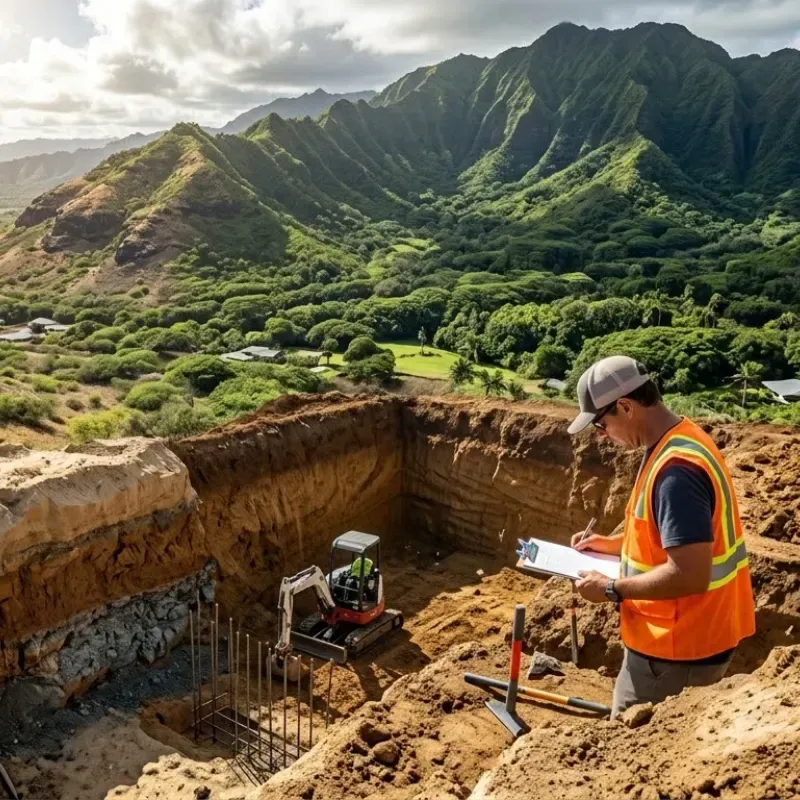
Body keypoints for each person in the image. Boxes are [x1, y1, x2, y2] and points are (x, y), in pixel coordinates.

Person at [567, 355, 756, 717]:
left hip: (677, 649)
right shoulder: (678, 439)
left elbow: (689, 574)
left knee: (631, 740)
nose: (602, 435)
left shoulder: (676, 473)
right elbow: (667, 535)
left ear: (626, 407)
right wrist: (610, 545)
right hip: (690, 637)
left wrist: (611, 589)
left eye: (601, 424)